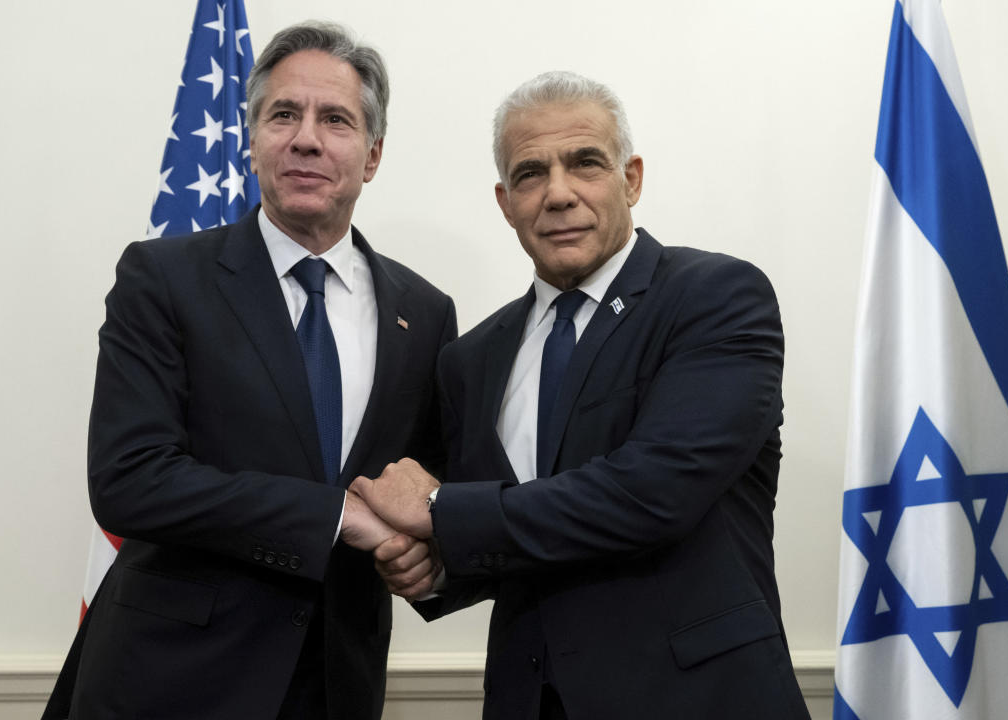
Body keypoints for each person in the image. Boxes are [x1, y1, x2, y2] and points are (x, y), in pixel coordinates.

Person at [352, 71, 810, 719]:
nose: (558, 194)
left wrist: (437, 508)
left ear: (632, 178)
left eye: (585, 163)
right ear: (505, 200)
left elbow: (653, 493)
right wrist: (435, 568)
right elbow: (505, 527)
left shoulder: (716, 297)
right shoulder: (471, 359)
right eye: (531, 173)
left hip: (698, 700)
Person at [43, 21, 456, 720]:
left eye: (335, 119)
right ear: (251, 138)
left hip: (335, 684)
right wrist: (338, 518)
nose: (306, 138)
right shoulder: (164, 278)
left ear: (373, 154)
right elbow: (129, 479)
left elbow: (422, 490)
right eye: (283, 115)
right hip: (168, 683)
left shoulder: (425, 311)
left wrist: (433, 555)